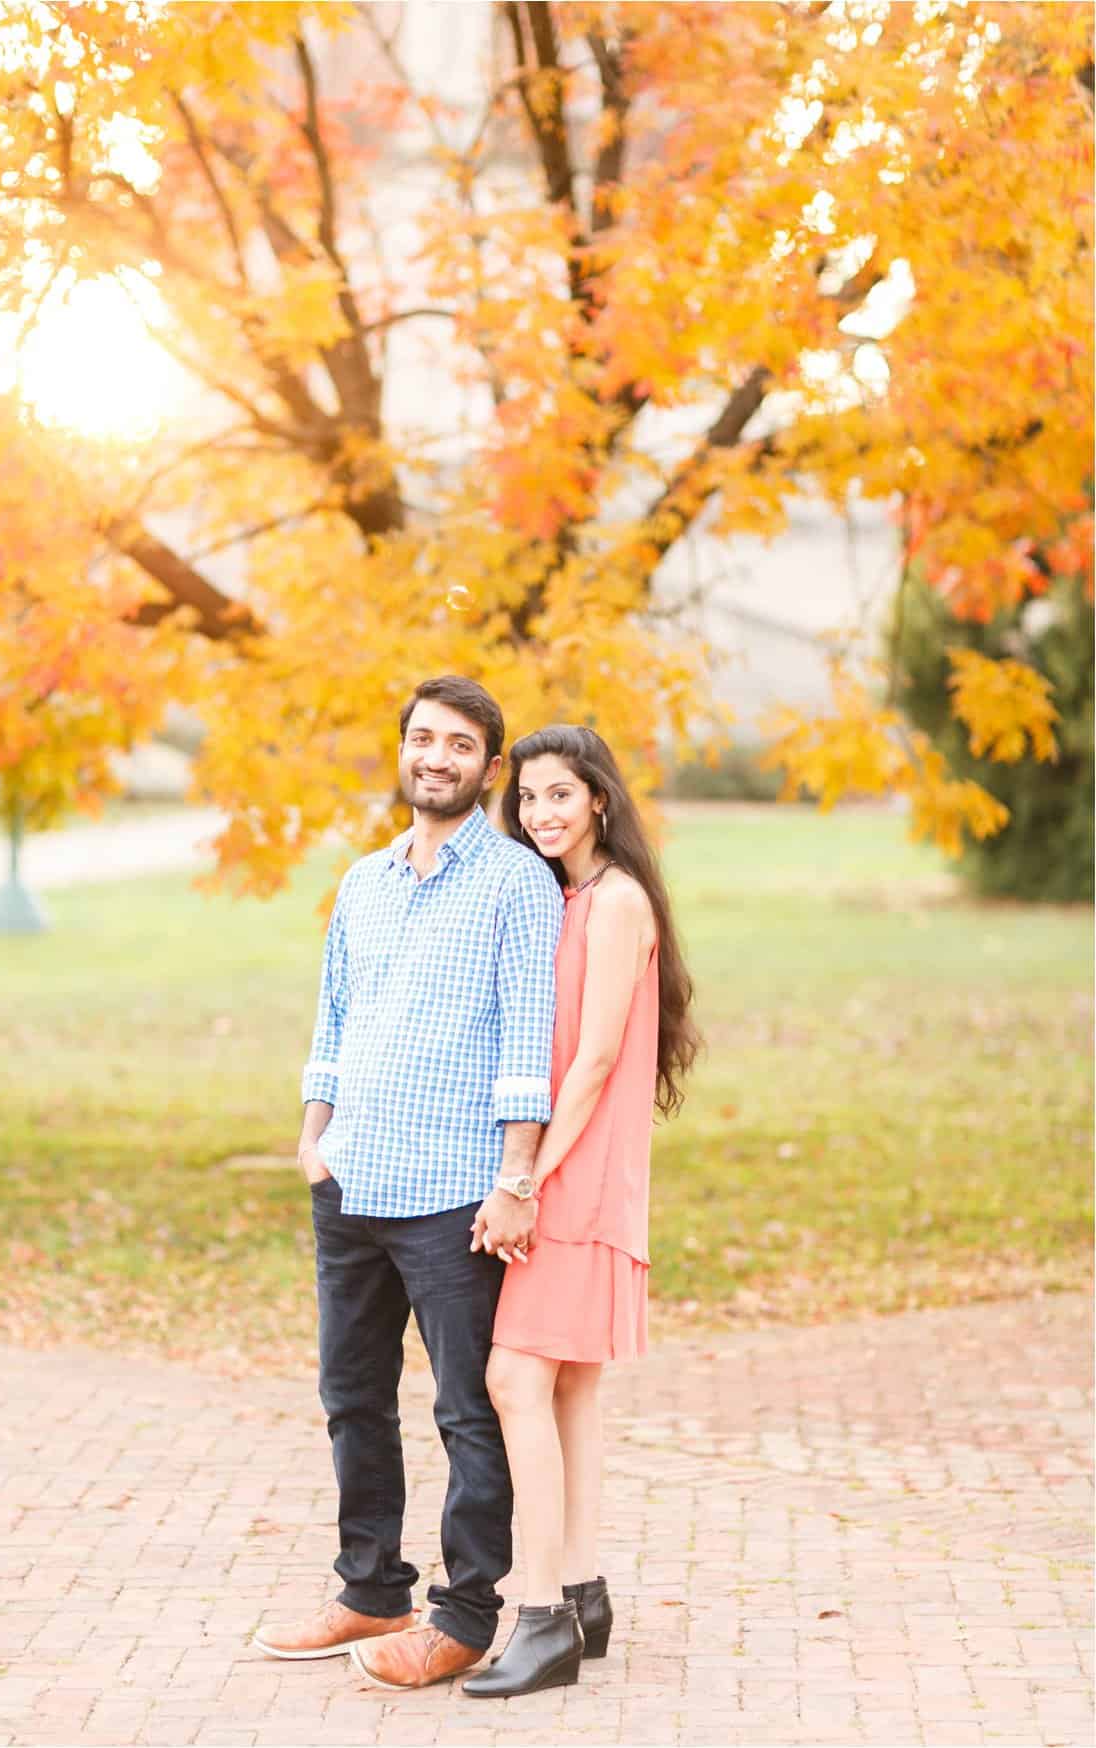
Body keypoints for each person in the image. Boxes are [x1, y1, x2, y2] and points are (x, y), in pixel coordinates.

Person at [253, 676, 564, 1692]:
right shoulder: (364, 880)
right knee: (351, 1393)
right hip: (352, 1179)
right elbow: (333, 1020)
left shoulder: (517, 882)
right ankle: (371, 1585)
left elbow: (528, 1040)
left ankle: (466, 1612)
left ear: (489, 764)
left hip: (453, 1189)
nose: (436, 754)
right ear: (405, 747)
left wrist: (516, 1174)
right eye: (423, 736)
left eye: (459, 742)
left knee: (465, 1408)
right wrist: (315, 1135)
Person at [461, 724, 700, 1699]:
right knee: (567, 1389)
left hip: (575, 1174)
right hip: (577, 1169)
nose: (540, 813)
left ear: (600, 797)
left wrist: (525, 1181)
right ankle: (585, 1588)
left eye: (560, 794)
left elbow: (597, 1059)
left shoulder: (618, 902)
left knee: (514, 1375)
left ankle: (542, 1613)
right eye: (527, 798)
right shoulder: (563, 896)